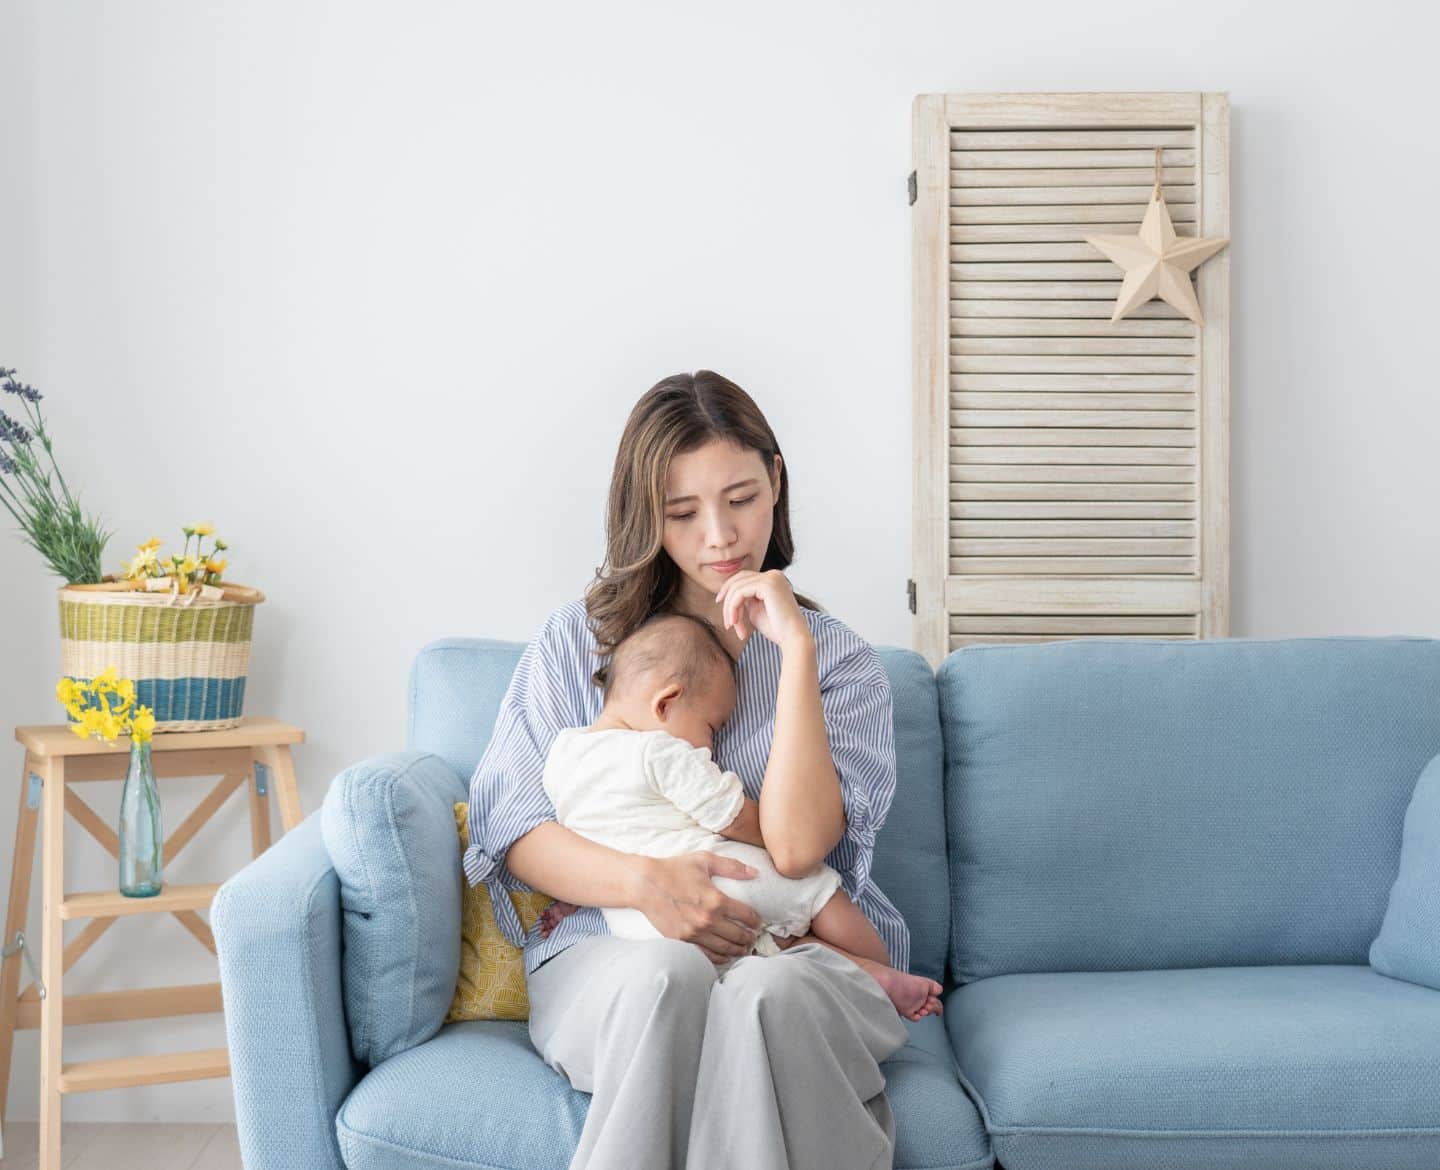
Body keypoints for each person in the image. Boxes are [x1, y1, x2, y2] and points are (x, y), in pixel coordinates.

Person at [465, 370, 913, 1170]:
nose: (720, 537)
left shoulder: (840, 662)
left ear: (776, 482)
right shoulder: (578, 643)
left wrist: (796, 652)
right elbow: (517, 830)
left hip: (803, 959)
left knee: (765, 996)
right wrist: (645, 884)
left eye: (741, 498)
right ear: (647, 517)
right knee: (668, 976)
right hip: (613, 951)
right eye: (684, 512)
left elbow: (801, 846)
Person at [538, 610, 942, 1020]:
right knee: (819, 893)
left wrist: (565, 904)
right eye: (712, 727)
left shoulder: (562, 758)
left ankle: (866, 975)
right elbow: (729, 816)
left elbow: (583, 839)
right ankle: (883, 973)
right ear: (666, 702)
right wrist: (785, 836)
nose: (710, 745)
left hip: (645, 927)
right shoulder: (657, 751)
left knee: (779, 946)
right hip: (726, 877)